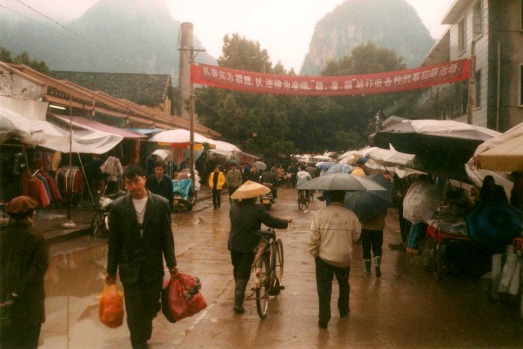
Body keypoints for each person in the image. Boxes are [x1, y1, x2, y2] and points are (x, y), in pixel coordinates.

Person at [105, 165, 176, 349]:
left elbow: (166, 237)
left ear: (145, 179)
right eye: (128, 183)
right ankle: (138, 342)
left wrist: (172, 265)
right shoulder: (118, 206)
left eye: (136, 181)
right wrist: (111, 270)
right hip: (129, 267)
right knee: (134, 307)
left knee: (151, 305)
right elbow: (114, 242)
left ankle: (143, 332)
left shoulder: (161, 204)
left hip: (153, 266)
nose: (133, 186)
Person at [228, 180, 292, 314]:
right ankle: (238, 303)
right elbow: (271, 221)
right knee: (244, 273)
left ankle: (239, 293)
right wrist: (286, 222)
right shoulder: (257, 209)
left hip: (233, 244)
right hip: (248, 246)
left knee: (237, 269)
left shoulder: (233, 207)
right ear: (254, 196)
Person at [0, 196, 49, 349]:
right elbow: (36, 273)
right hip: (29, 307)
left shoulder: (1, 237)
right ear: (31, 214)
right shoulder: (37, 239)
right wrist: (17, 295)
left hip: (3, 305)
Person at [308, 190, 361, 329]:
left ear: (329, 198)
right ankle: (343, 310)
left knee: (324, 288)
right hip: (344, 259)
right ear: (343, 198)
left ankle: (324, 319)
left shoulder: (320, 214)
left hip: (324, 259)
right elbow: (356, 237)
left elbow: (314, 237)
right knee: (344, 285)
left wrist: (315, 254)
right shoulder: (351, 215)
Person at [360, 208, 388, 277]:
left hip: (366, 228)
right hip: (378, 228)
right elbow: (385, 213)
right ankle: (377, 264)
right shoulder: (381, 203)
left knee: (366, 248)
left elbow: (360, 215)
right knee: (377, 248)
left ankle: (367, 269)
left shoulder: (363, 203)